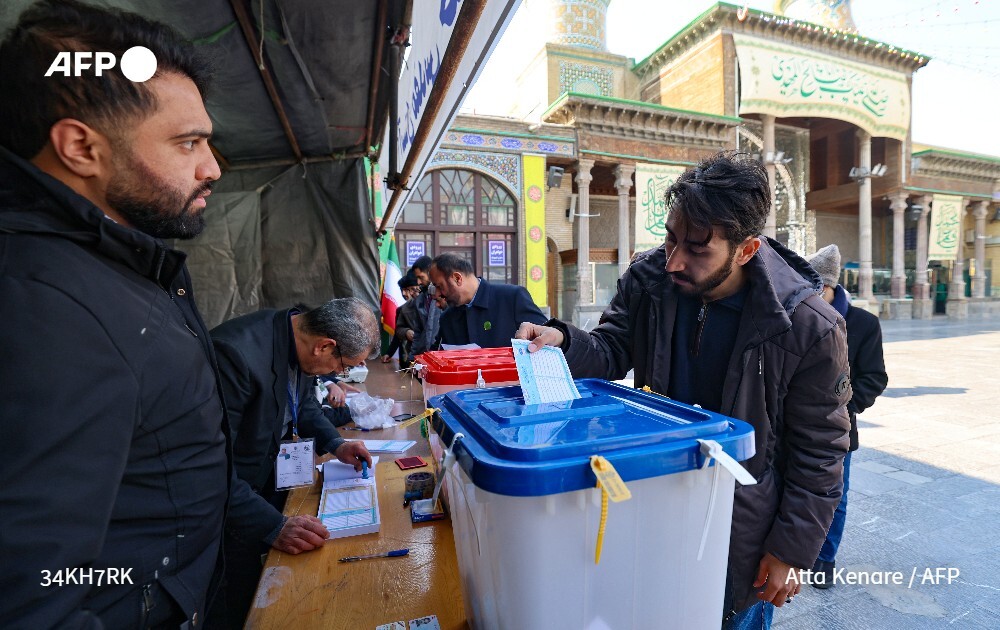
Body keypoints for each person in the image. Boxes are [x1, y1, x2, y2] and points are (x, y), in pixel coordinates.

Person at [516, 152, 851, 628]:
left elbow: (820, 451)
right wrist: (566, 341)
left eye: (697, 249)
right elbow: (612, 349)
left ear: (747, 249)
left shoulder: (808, 328)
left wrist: (788, 551)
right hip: (654, 496)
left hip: (738, 524)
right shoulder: (650, 279)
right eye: (671, 238)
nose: (675, 260)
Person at [0, 1, 230, 627]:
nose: (212, 168)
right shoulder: (43, 304)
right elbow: (30, 591)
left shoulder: (110, 267)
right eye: (188, 143)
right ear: (80, 147)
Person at [208, 298, 378, 627]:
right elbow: (209, 466)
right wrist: (272, 525)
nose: (339, 375)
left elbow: (302, 405)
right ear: (325, 346)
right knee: (240, 602)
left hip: (265, 479)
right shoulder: (235, 356)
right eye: (344, 367)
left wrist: (336, 443)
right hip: (230, 504)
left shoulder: (298, 332)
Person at [805, 244, 888, 588]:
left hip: (838, 427)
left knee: (835, 495)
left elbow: (875, 377)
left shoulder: (863, 324)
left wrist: (845, 404)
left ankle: (825, 558)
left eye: (811, 290)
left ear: (827, 287)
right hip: (795, 424)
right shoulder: (799, 317)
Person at [430, 252, 547, 348]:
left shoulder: (512, 298)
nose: (437, 294)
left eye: (439, 286)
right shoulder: (448, 318)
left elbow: (549, 340)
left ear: (457, 278)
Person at [381, 271, 421, 365]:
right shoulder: (401, 310)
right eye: (401, 290)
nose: (404, 293)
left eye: (407, 290)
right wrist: (389, 353)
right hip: (407, 359)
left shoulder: (431, 307)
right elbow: (397, 335)